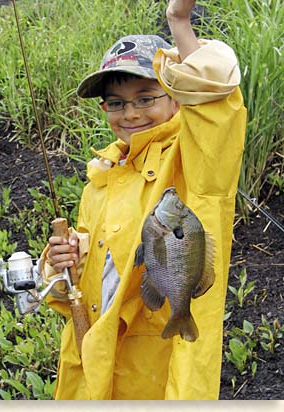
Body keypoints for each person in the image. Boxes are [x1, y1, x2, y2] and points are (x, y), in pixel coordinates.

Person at [40, 0, 247, 400]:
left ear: (175, 97)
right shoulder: (101, 177)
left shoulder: (195, 161)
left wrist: (179, 23)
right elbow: (89, 277)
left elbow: (216, 106)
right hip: (93, 369)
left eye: (146, 97)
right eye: (116, 103)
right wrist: (61, 265)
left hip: (156, 371)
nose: (130, 113)